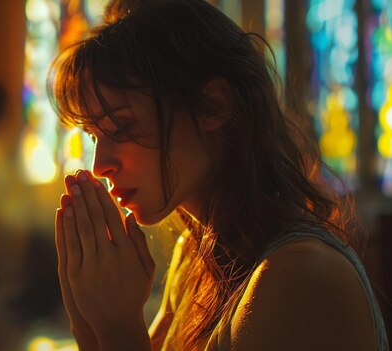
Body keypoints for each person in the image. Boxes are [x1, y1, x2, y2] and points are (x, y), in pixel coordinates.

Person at [50, 0, 390, 350]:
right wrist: (88, 320)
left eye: (121, 126)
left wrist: (117, 327)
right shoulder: (194, 260)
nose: (99, 164)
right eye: (94, 135)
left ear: (213, 105)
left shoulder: (300, 276)